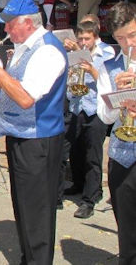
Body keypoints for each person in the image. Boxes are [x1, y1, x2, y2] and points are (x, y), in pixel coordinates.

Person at [0, 0, 67, 265]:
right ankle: (29, 258)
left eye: (9, 24)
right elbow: (11, 87)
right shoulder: (25, 46)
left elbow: (25, 97)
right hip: (21, 135)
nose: (5, 30)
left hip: (38, 139)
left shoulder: (47, 50)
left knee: (36, 210)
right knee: (24, 206)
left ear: (27, 23)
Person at [60, 20, 115, 219]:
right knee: (75, 151)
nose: (83, 42)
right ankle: (78, 184)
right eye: (80, 38)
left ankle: (90, 199)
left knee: (93, 155)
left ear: (95, 37)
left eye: (87, 39)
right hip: (77, 106)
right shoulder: (75, 52)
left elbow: (110, 81)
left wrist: (92, 69)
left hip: (96, 109)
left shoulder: (106, 53)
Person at [96, 2, 136, 265]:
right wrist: (118, 100)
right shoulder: (109, 66)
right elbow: (104, 115)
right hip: (122, 154)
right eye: (121, 38)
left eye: (132, 35)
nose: (128, 43)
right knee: (127, 229)